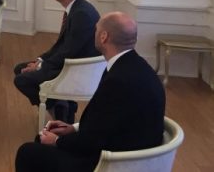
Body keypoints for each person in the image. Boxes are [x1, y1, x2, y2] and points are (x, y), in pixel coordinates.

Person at [15, 12, 166, 172]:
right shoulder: (135, 66)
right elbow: (108, 122)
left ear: (103, 36)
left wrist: (57, 141)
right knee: (42, 139)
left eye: (96, 30)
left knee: (27, 152)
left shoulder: (118, 80)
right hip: (129, 151)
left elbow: (93, 141)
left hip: (114, 163)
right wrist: (73, 128)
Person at [13, 0, 99, 123]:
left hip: (77, 71)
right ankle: (61, 106)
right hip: (70, 63)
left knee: (21, 79)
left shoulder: (82, 14)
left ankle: (56, 107)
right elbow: (62, 45)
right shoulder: (77, 8)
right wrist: (40, 60)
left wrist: (41, 66)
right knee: (20, 68)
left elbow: (69, 51)